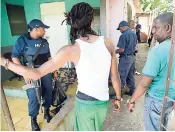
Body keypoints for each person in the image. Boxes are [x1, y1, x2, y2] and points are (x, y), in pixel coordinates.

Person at [1, 2, 121, 131]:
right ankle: (36, 117)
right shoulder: (108, 43)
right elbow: (115, 76)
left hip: (85, 103)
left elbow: (36, 73)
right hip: (103, 101)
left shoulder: (71, 49)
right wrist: (118, 98)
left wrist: (5, 63)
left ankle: (46, 112)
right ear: (90, 20)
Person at [127, 12, 175, 131]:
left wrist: (132, 100)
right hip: (170, 99)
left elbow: (145, 83)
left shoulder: (157, 51)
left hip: (156, 101)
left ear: (168, 28)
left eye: (156, 27)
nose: (153, 31)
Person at [11, 19, 55, 131]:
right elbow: (14, 57)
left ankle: (46, 111)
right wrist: (24, 73)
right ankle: (33, 119)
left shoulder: (44, 42)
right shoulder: (22, 40)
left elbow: (49, 57)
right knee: (33, 97)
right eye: (43, 29)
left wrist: (54, 70)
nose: (44, 31)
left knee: (48, 92)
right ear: (35, 29)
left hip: (45, 71)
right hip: (30, 72)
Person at [116, 21, 137, 96]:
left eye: (120, 29)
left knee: (121, 75)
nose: (120, 31)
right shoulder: (133, 34)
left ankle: (118, 94)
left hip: (125, 58)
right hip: (132, 57)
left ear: (123, 27)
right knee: (130, 75)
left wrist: (113, 52)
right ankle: (132, 91)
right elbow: (135, 47)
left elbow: (121, 50)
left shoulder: (123, 35)